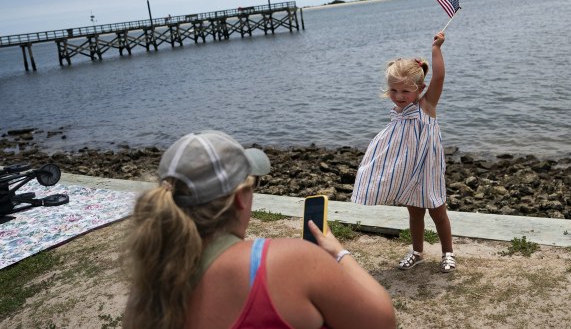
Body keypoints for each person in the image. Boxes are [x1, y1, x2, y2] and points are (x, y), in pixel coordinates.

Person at [123, 130, 395, 329]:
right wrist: (338, 252)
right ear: (241, 197)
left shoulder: (149, 294)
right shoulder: (290, 263)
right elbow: (382, 321)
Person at [351, 31, 455, 273]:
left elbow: (439, 76)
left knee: (438, 210)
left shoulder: (426, 105)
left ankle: (447, 252)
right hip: (408, 168)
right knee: (414, 211)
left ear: (420, 88)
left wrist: (436, 49)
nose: (398, 97)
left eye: (405, 92)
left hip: (428, 165)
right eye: (393, 91)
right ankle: (417, 251)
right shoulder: (397, 111)